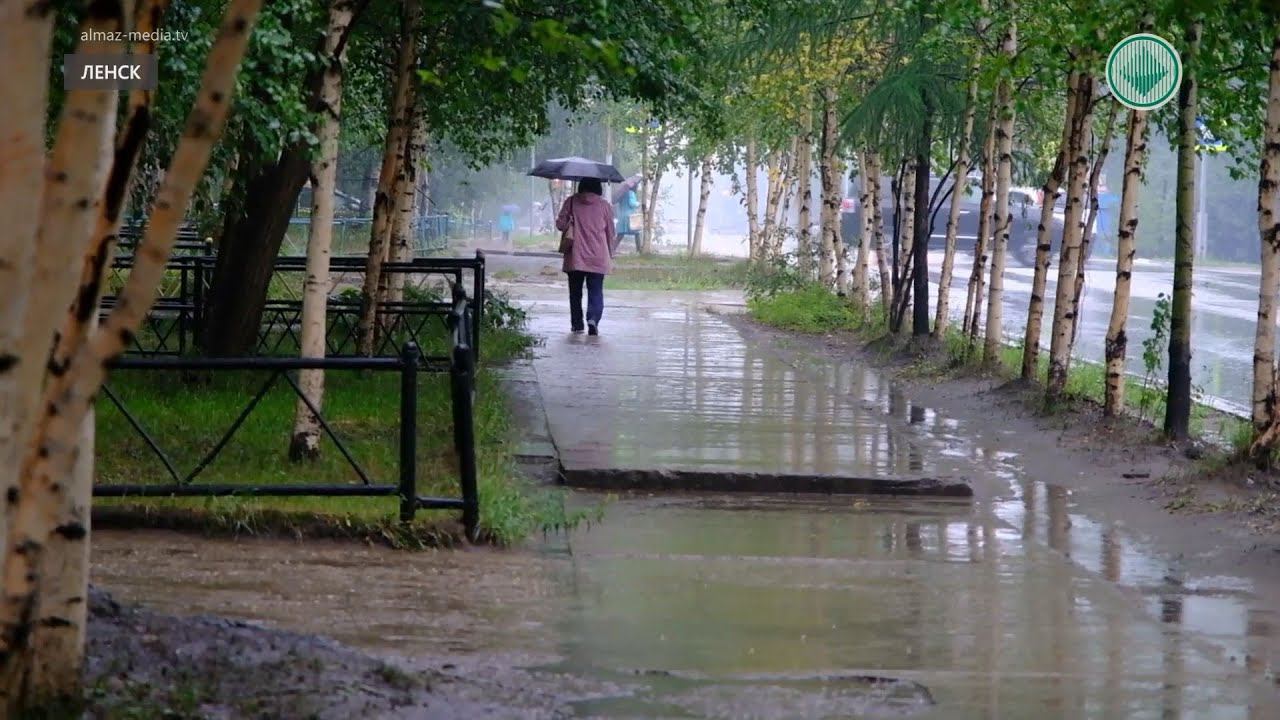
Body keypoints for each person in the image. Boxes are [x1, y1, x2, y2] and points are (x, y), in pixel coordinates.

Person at [557, 177, 617, 336]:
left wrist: (569, 217)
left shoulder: (570, 202)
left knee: (575, 293)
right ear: (599, 188)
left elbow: (560, 225)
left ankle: (577, 325)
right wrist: (610, 254)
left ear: (581, 186)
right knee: (596, 291)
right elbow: (610, 232)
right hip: (598, 257)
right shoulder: (605, 206)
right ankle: (593, 319)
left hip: (575, 256)